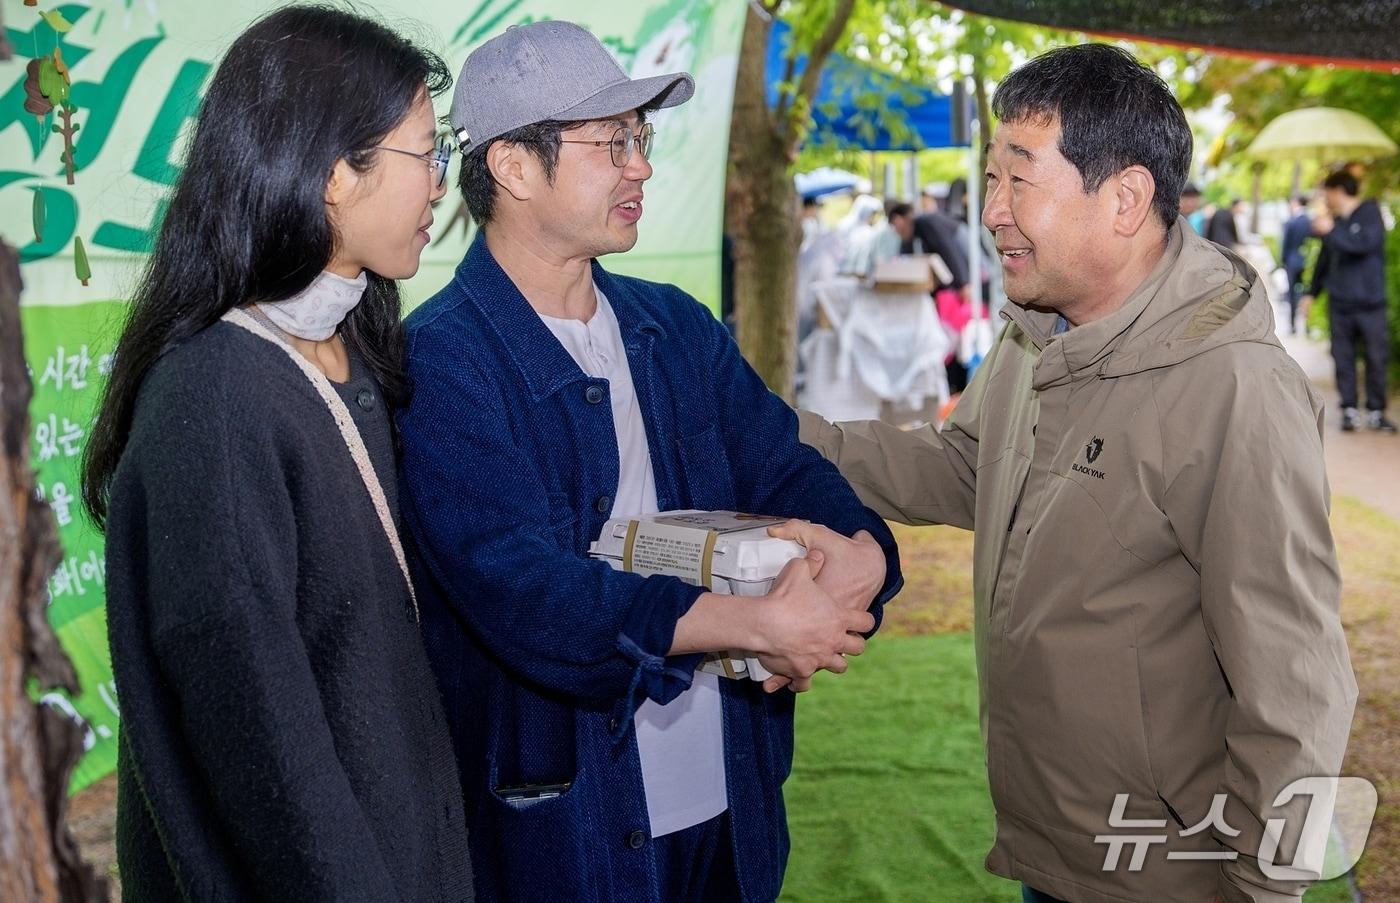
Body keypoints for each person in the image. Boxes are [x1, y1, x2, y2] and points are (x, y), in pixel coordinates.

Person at [794, 44, 1355, 903]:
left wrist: (1261, 887)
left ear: (1126, 198)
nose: (991, 212)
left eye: (1020, 182)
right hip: (1055, 845)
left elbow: (1295, 676)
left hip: (1163, 874)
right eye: (990, 180)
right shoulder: (1036, 334)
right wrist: (785, 437)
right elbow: (966, 467)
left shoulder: (1234, 388)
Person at [394, 20, 900, 903]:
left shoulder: (674, 326)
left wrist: (864, 550)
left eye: (642, 138)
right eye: (612, 142)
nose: (643, 167)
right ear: (512, 165)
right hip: (568, 827)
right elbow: (527, 592)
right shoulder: (440, 361)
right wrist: (747, 625)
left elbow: (782, 465)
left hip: (727, 797)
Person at [79, 7, 474, 901]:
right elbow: (262, 745)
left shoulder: (355, 357)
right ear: (338, 173)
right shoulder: (215, 401)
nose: (440, 187)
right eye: (426, 156)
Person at [1303, 169, 1395, 432]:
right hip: (1340, 303)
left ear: (1338, 191)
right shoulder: (1335, 222)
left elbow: (1363, 245)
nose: (1325, 199)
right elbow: (1324, 260)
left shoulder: (1370, 214)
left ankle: (1376, 410)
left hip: (1370, 303)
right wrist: (1311, 293)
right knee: (1342, 356)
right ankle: (1350, 409)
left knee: (1376, 357)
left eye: (1327, 193)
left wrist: (1331, 231)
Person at [1280, 194, 1313, 335]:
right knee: (1308, 293)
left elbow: (1285, 244)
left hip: (1292, 261)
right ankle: (1308, 326)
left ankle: (1292, 325)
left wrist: (1282, 260)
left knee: (1292, 294)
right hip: (1308, 261)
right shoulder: (1311, 221)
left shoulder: (1291, 222)